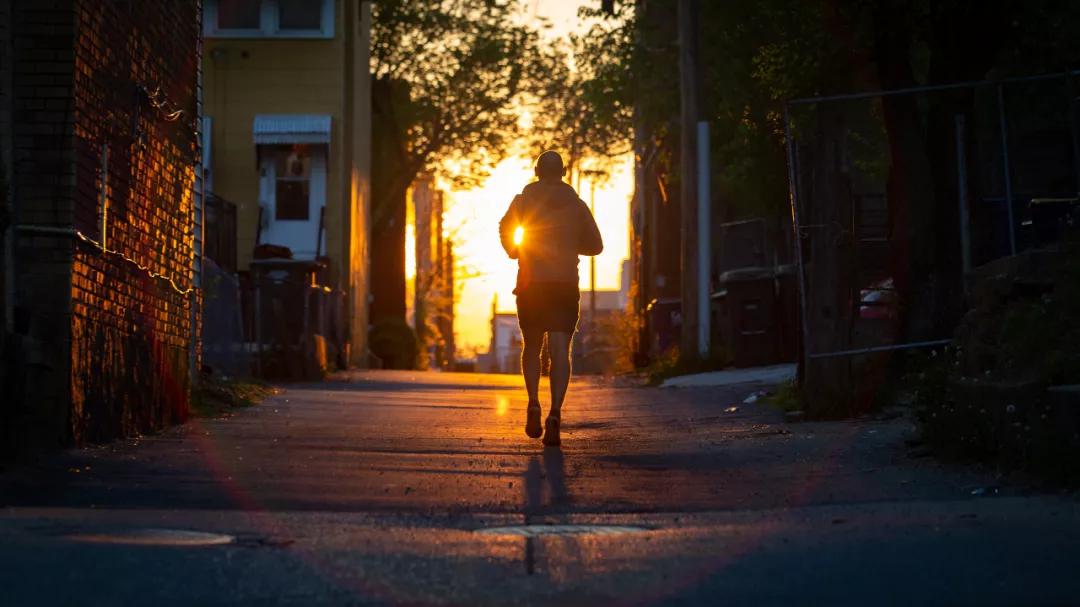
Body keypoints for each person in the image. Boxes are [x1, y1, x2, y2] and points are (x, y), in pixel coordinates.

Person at [499, 151, 603, 446]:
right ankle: (555, 412)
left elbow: (505, 228)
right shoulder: (577, 205)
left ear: (536, 171)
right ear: (564, 172)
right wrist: (569, 244)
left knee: (532, 346)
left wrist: (516, 250)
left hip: (531, 284)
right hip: (564, 285)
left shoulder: (522, 201)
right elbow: (597, 245)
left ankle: (533, 402)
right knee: (560, 350)